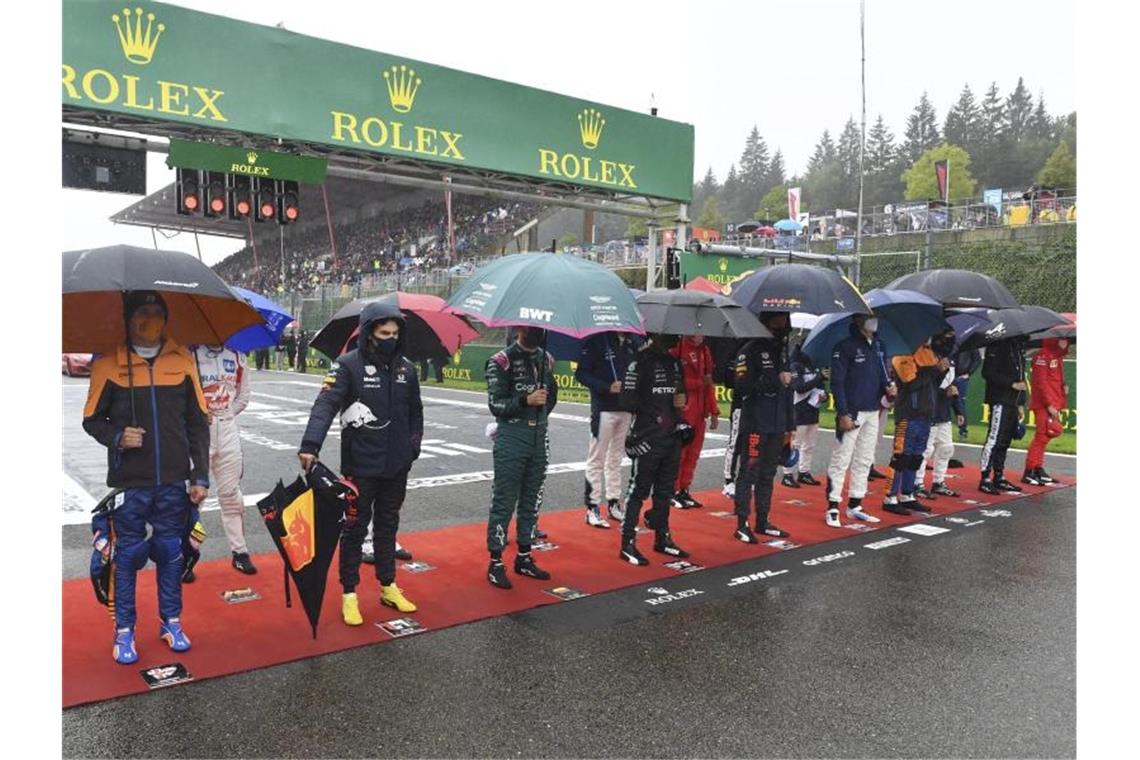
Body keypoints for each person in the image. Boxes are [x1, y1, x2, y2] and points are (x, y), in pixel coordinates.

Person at [82, 290, 210, 664]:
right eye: (142, 311)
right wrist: (118, 436)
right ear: (128, 317)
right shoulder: (107, 363)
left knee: (171, 553)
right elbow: (91, 420)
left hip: (174, 480)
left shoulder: (184, 360)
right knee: (128, 556)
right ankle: (124, 631)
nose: (149, 318)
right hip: (130, 483)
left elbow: (198, 424)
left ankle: (171, 622)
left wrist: (199, 475)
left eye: (156, 312)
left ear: (166, 318)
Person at [298, 302, 424, 624]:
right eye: (384, 333)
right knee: (353, 531)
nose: (390, 338)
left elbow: (416, 413)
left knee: (387, 527)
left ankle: (388, 585)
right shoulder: (346, 366)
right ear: (369, 333)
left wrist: (412, 448)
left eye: (396, 334)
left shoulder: (407, 369)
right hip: (360, 466)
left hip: (396, 466)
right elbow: (324, 405)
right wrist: (311, 444)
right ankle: (349, 594)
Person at [484, 326, 558, 588]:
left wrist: (538, 415)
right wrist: (526, 401)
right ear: (518, 328)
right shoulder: (500, 361)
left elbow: (553, 397)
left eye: (540, 328)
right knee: (504, 500)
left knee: (532, 499)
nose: (536, 331)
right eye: (531, 327)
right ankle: (495, 561)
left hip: (538, 436)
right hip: (511, 437)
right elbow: (496, 404)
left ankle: (524, 557)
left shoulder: (547, 358)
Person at [617, 333, 690, 564]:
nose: (675, 337)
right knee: (638, 490)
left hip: (672, 435)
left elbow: (682, 395)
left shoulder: (674, 362)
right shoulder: (639, 362)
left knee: (665, 491)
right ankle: (627, 543)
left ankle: (662, 538)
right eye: (669, 333)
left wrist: (681, 398)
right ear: (656, 332)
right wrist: (646, 401)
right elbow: (626, 401)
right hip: (646, 435)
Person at [190, 343, 257, 574]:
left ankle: (240, 552)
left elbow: (244, 395)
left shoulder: (238, 355)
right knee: (193, 496)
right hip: (198, 434)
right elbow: (178, 395)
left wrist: (225, 413)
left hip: (228, 430)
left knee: (230, 494)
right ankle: (186, 555)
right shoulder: (190, 353)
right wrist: (197, 413)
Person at [825, 314, 896, 528]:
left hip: (873, 410)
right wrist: (843, 412)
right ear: (858, 321)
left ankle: (855, 504)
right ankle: (833, 506)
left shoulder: (880, 345)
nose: (874, 321)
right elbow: (837, 383)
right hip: (852, 411)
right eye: (869, 317)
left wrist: (890, 388)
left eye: (875, 316)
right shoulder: (844, 347)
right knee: (841, 459)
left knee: (865, 459)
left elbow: (884, 376)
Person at [732, 312, 795, 543]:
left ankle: (763, 520)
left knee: (768, 474)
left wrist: (790, 425)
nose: (783, 324)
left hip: (777, 424)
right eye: (779, 319)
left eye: (785, 320)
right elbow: (742, 387)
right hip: (756, 423)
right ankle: (741, 523)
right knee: (749, 472)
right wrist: (775, 379)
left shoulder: (783, 351)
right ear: (767, 320)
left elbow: (787, 392)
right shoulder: (748, 350)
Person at [576, 330, 640, 527]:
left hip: (626, 409)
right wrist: (605, 386)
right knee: (597, 459)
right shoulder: (597, 341)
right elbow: (581, 374)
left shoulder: (633, 344)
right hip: (604, 409)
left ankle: (614, 503)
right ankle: (592, 507)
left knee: (616, 459)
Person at [882, 337, 945, 515]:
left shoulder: (929, 353)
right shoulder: (901, 355)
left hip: (925, 414)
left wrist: (941, 371)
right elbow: (911, 383)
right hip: (908, 414)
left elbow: (932, 384)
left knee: (916, 457)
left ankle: (907, 494)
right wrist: (934, 371)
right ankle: (890, 497)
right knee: (901, 457)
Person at [669, 335, 719, 508]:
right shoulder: (678, 348)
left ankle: (684, 489)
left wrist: (714, 411)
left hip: (700, 412)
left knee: (693, 454)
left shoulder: (705, 350)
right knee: (679, 453)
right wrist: (699, 383)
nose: (702, 334)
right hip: (683, 410)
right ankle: (672, 490)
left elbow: (709, 383)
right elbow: (672, 379)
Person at [915, 328, 961, 498]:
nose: (951, 338)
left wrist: (958, 409)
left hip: (944, 409)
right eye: (948, 335)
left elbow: (952, 382)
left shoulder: (951, 356)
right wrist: (938, 371)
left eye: (952, 335)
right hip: (930, 406)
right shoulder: (927, 355)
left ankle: (938, 482)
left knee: (947, 447)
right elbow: (924, 383)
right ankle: (917, 483)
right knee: (926, 449)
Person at [979, 337, 1028, 494]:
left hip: (1013, 402)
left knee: (1005, 440)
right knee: (994, 438)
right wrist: (1010, 384)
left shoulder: (1018, 347)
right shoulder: (996, 345)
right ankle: (985, 478)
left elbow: (1021, 378)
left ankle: (999, 476)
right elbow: (987, 372)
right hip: (1000, 399)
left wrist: (1020, 402)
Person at [1023, 337, 1070, 485]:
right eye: (1062, 339)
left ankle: (1037, 467)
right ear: (1054, 339)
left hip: (1053, 403)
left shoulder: (1057, 357)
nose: (1065, 342)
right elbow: (1040, 383)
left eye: (1066, 340)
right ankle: (1029, 470)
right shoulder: (1042, 356)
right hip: (1044, 404)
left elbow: (1055, 381)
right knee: (1041, 436)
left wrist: (1063, 392)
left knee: (1047, 435)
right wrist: (1049, 404)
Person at [780, 343, 826, 489]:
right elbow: (799, 388)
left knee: (810, 445)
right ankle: (787, 474)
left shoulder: (815, 364)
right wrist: (819, 377)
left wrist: (825, 395)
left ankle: (804, 471)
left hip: (813, 409)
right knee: (795, 444)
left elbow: (820, 386)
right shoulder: (795, 365)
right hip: (799, 410)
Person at [720, 340, 747, 498]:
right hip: (739, 405)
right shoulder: (737, 351)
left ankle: (745, 479)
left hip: (755, 406)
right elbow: (729, 381)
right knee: (735, 442)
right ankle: (728, 480)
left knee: (750, 443)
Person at [953, 346, 982, 439]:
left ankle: (963, 430)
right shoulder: (952, 342)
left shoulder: (970, 343)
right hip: (949, 375)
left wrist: (969, 373)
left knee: (960, 402)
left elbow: (977, 360)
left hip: (961, 376)